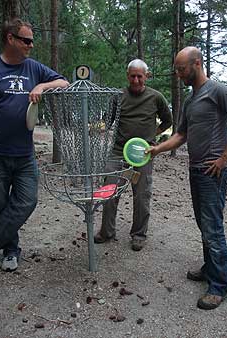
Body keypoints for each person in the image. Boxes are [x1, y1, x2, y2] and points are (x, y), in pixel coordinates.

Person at [148, 47, 227, 310]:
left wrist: (223, 158)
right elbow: (181, 135)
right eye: (177, 69)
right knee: (204, 225)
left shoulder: (218, 91)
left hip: (212, 172)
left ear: (197, 64)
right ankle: (210, 268)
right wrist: (157, 148)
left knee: (213, 228)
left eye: (181, 69)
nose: (178, 73)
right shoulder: (191, 100)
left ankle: (219, 286)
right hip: (195, 170)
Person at [0, 18, 69, 272]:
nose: (31, 45)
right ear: (10, 39)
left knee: (27, 200)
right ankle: (10, 250)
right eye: (26, 40)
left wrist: (43, 85)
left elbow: (64, 82)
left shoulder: (33, 68)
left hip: (24, 155)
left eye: (32, 41)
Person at [94, 59, 172, 251]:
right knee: (109, 190)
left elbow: (168, 121)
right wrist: (95, 128)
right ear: (127, 76)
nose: (136, 80)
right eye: (132, 76)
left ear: (146, 76)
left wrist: (152, 136)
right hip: (118, 152)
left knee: (142, 195)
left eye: (140, 76)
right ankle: (107, 231)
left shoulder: (156, 97)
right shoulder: (118, 96)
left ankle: (139, 234)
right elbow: (107, 122)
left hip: (144, 154)